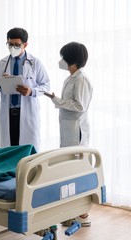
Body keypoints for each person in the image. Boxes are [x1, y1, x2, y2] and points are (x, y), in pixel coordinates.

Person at [44, 42, 93, 226]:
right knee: (67, 169)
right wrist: (57, 100)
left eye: (63, 57)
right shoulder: (72, 77)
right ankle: (71, 211)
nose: (61, 61)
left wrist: (57, 100)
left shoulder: (81, 79)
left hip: (75, 130)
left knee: (76, 170)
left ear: (72, 61)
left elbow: (80, 106)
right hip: (67, 129)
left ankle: (82, 214)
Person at [0, 27, 50, 152]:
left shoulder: (35, 63)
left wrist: (31, 91)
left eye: (17, 45)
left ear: (25, 45)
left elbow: (46, 86)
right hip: (9, 113)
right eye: (10, 44)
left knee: (28, 153)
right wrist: (1, 84)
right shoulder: (2, 63)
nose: (13, 48)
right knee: (10, 151)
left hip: (28, 113)